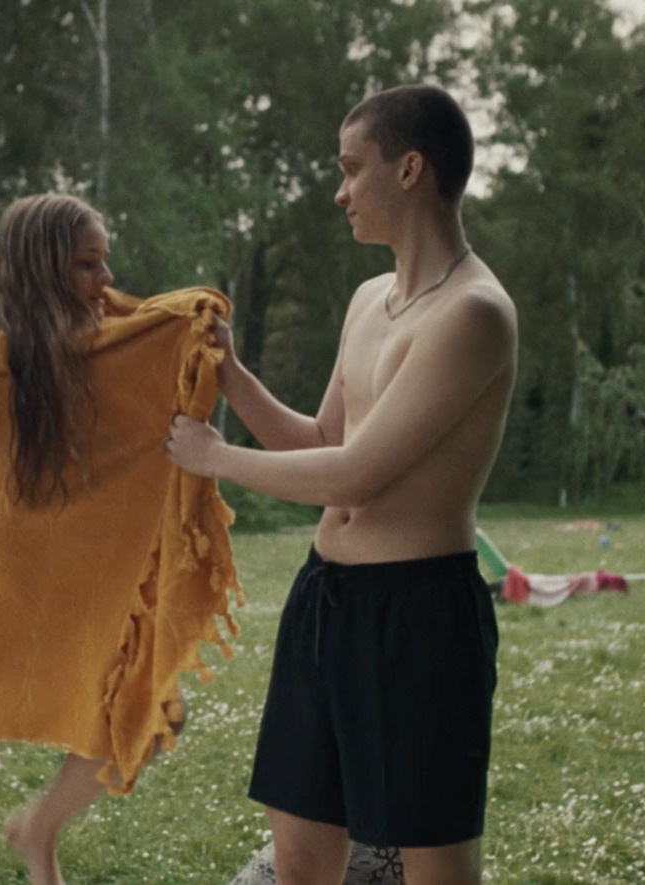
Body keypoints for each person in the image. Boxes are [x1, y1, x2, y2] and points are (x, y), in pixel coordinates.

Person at [166, 85, 516, 885]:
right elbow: (325, 440)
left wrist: (214, 457)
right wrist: (233, 374)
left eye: (352, 168)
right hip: (326, 602)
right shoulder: (369, 300)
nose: (339, 190)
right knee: (299, 862)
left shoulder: (473, 314)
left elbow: (360, 472)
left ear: (410, 169)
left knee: (436, 870)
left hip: (420, 619)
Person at [0, 193, 237, 885]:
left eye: (105, 262)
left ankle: (40, 826)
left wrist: (184, 325)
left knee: (159, 711)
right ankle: (28, 833)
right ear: (39, 268)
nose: (105, 281)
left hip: (43, 613)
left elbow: (159, 337)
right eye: (87, 265)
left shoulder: (93, 352)